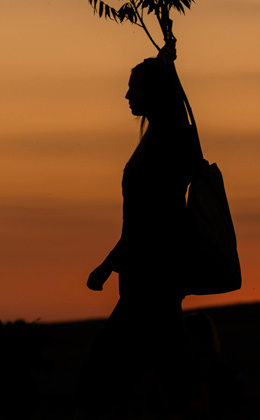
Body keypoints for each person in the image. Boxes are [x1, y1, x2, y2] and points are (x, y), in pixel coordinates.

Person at [76, 49, 202, 418]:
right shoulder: (164, 137)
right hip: (155, 277)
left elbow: (149, 220)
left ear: (153, 91)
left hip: (150, 278)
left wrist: (108, 264)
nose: (127, 95)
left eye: (133, 87)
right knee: (174, 377)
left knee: (98, 380)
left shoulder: (164, 142)